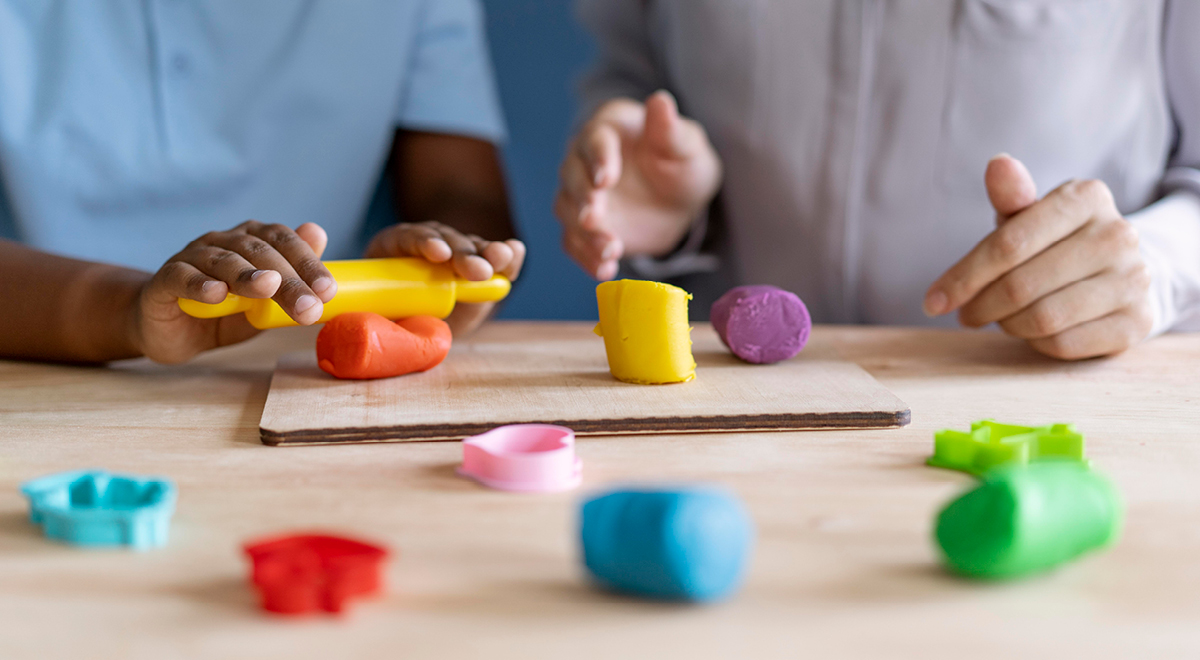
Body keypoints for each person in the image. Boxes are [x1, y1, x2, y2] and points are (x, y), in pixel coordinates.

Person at [556, 0, 1200, 360]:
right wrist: (665, 201)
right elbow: (631, 69)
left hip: (1056, 396)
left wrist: (1158, 265)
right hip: (734, 402)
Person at [0, 0, 524, 364]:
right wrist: (125, 311)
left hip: (308, 361)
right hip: (39, 360)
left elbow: (464, 197)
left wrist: (420, 270)